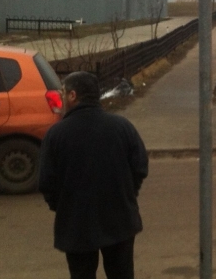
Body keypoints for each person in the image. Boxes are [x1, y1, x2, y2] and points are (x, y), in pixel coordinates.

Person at [39, 71, 149, 279]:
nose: (61, 98)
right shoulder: (122, 127)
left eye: (63, 92)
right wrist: (127, 194)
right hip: (120, 221)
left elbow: (47, 181)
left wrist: (61, 206)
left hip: (76, 223)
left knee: (81, 274)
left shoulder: (56, 135)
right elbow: (140, 166)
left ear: (72, 96)